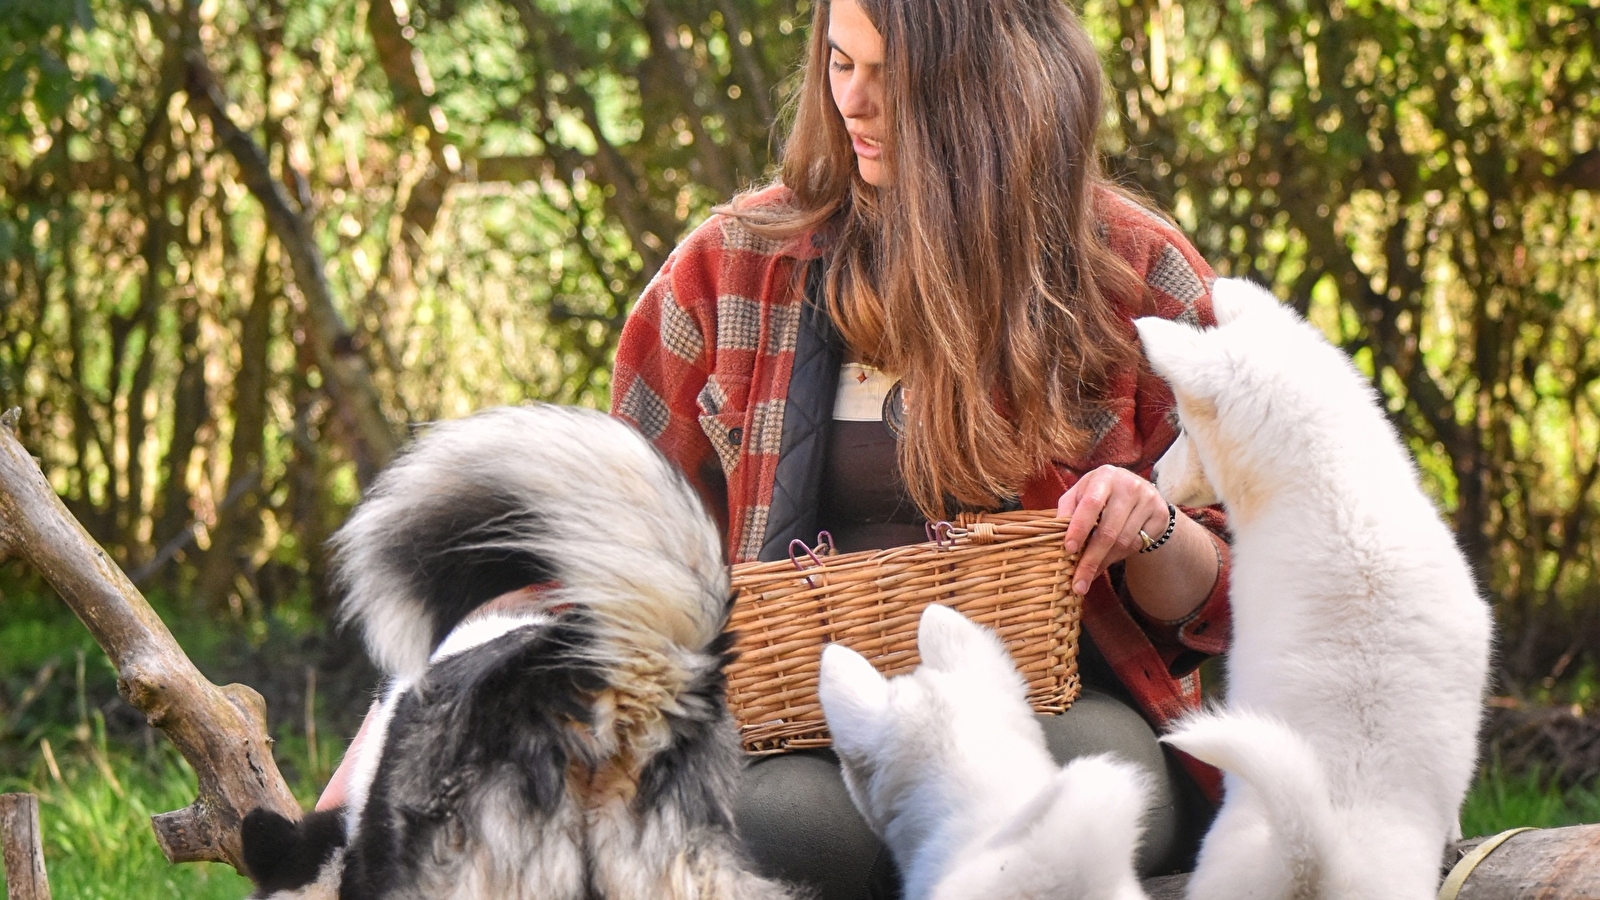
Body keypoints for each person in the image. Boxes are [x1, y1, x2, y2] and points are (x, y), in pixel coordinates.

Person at [608, 0, 1232, 897]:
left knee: (1061, 806)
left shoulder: (1133, 273)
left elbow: (1251, 591)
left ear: (991, 84)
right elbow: (613, 537)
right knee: (780, 836)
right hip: (796, 725)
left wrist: (1156, 528)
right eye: (838, 62)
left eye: (890, 77)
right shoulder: (731, 266)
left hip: (1056, 709)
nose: (853, 102)